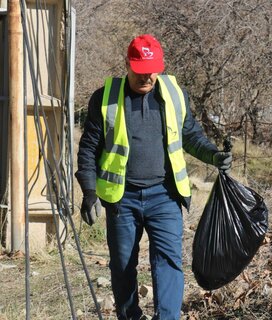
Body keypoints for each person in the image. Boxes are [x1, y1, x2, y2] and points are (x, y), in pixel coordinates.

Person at [75, 34, 232, 320]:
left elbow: (190, 135)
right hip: (122, 198)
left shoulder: (174, 94)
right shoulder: (105, 98)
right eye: (140, 70)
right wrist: (89, 190)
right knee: (123, 265)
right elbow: (88, 148)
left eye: (152, 70)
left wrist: (213, 155)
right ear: (127, 64)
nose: (147, 77)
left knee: (168, 262)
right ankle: (130, 316)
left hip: (165, 196)